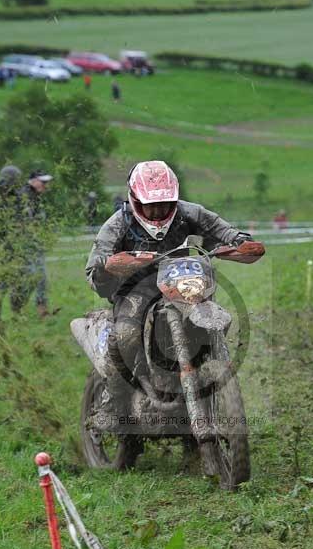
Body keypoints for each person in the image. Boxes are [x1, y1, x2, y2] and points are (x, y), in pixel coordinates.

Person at [85, 160, 259, 418]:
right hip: (137, 291)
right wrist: (108, 268)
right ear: (135, 199)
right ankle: (114, 402)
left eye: (164, 204)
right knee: (126, 336)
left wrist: (242, 244)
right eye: (151, 205)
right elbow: (94, 269)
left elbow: (228, 233)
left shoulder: (190, 213)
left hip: (184, 285)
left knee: (217, 319)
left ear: (174, 199)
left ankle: (205, 379)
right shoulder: (118, 224)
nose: (157, 212)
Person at [0, 165, 37, 320]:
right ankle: (6, 314)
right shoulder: (4, 197)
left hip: (10, 246)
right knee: (11, 282)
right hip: (8, 247)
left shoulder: (6, 196)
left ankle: (10, 312)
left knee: (20, 281)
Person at [21, 170, 53, 317]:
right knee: (33, 277)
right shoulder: (24, 197)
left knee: (39, 277)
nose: (45, 185)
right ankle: (21, 309)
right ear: (33, 180)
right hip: (24, 245)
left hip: (35, 244)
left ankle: (41, 310)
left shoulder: (37, 198)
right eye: (43, 182)